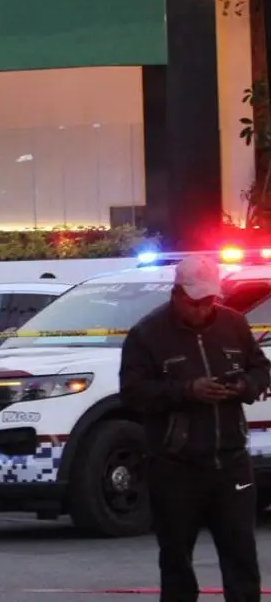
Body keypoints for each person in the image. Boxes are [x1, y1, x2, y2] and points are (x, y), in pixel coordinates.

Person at [120, 255, 270, 602]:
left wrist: (243, 386)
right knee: (176, 560)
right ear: (177, 294)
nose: (204, 309)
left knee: (241, 556)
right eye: (196, 301)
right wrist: (187, 391)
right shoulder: (147, 335)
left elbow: (260, 369)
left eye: (210, 300)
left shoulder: (233, 324)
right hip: (175, 466)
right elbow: (132, 393)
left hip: (231, 461)